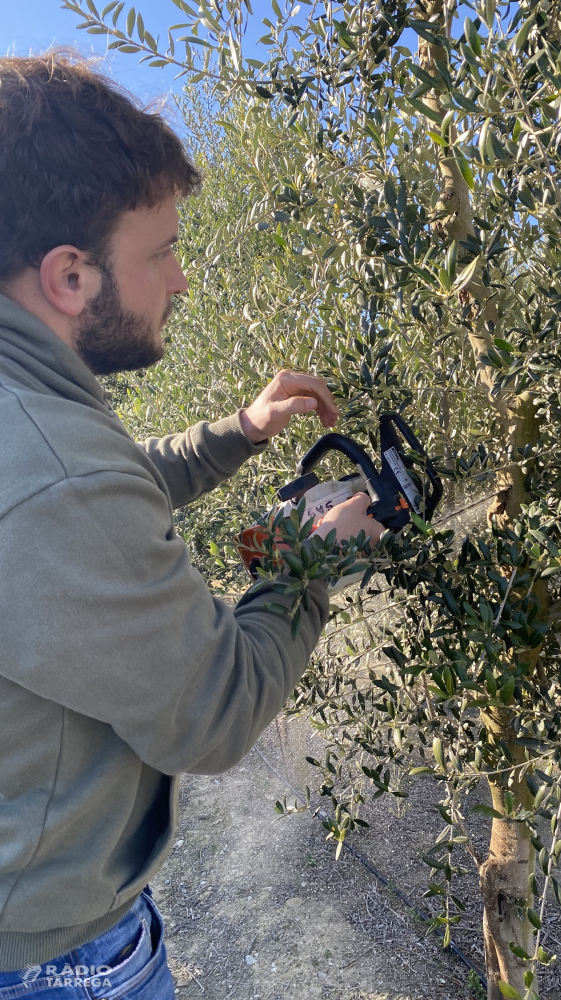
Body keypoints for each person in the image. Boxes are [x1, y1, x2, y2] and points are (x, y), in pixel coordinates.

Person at [0, 52, 382, 998]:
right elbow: (214, 711)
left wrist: (241, 432)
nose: (179, 282)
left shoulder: (29, 414)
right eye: (162, 250)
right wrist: (309, 559)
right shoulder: (53, 469)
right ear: (71, 275)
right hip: (54, 962)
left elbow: (95, 496)